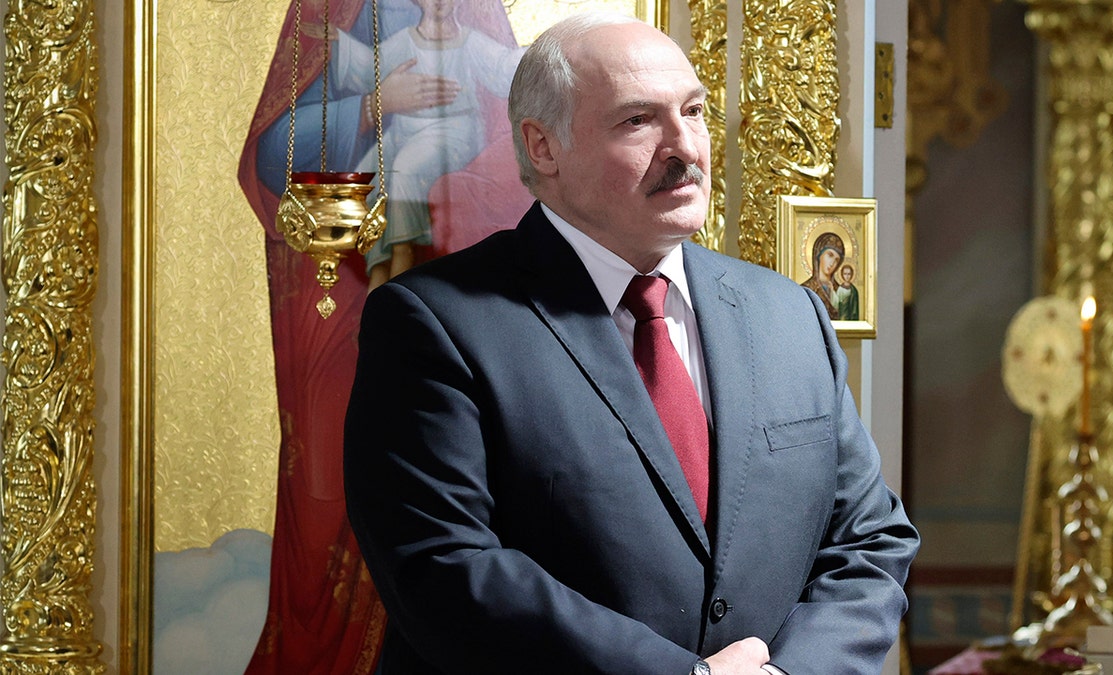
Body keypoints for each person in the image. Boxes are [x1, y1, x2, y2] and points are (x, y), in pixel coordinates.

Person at [344, 11, 918, 675]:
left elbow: (870, 539)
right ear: (543, 146)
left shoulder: (790, 313)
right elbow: (443, 568)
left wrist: (794, 672)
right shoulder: (431, 323)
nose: (686, 147)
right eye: (639, 120)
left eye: (695, 111)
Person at [236, 0, 524, 671]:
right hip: (338, 282)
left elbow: (522, 127)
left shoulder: (470, 8)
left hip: (444, 281)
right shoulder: (327, 8)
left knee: (444, 470)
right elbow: (275, 152)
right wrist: (372, 105)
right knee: (330, 476)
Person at [329, 0, 525, 286]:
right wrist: (340, 42)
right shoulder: (406, 41)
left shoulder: (469, 42)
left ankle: (401, 259)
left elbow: (502, 68)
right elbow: (370, 69)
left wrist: (533, 55)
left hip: (453, 129)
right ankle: (379, 271)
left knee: (405, 169)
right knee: (367, 177)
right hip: (406, 131)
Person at [800, 231, 845, 320]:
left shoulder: (840, 291)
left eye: (836, 260)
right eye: (830, 255)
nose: (832, 263)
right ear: (819, 254)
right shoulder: (805, 289)